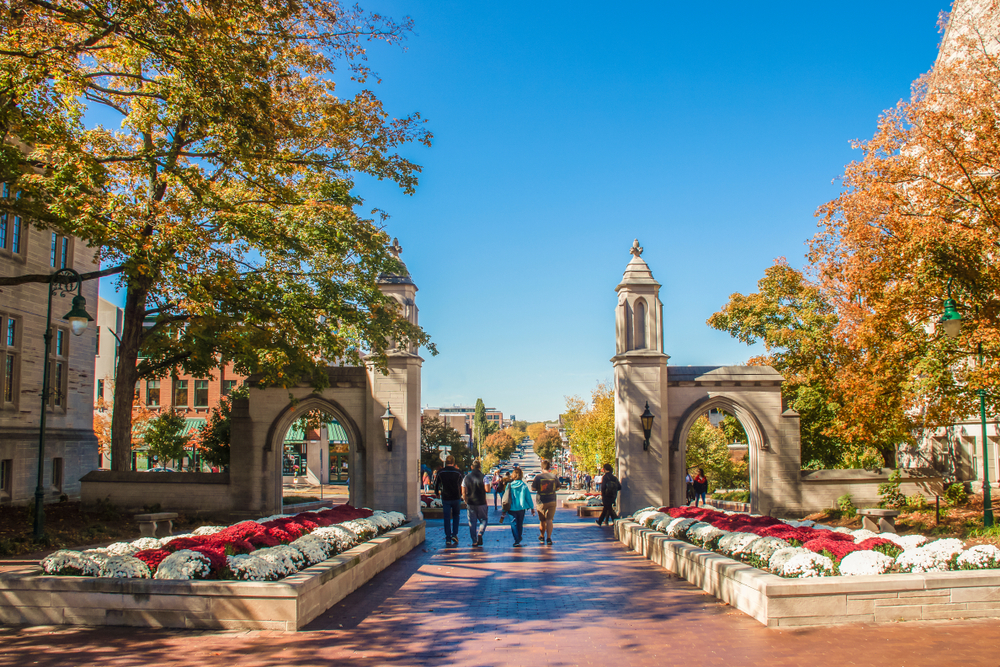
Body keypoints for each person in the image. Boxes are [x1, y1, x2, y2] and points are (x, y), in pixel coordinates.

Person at [434, 455, 464, 547]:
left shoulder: (441, 472)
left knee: (447, 517)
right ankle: (454, 534)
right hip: (456, 497)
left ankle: (448, 537)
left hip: (446, 497)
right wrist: (462, 494)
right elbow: (462, 484)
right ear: (454, 462)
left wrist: (437, 492)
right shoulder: (458, 473)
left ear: (446, 462)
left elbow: (436, 484)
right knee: (456, 516)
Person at [500, 468, 534, 546]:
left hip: (511, 508)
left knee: (513, 524)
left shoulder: (509, 485)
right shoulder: (523, 485)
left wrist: (503, 509)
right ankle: (519, 537)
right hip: (521, 508)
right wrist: (532, 507)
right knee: (520, 523)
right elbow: (528, 497)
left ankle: (517, 540)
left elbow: (505, 498)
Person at [531, 458, 561, 545]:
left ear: (542, 467)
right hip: (552, 500)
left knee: (542, 520)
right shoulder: (554, 477)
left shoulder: (538, 477)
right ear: (549, 467)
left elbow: (533, 488)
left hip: (541, 501)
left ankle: (542, 535)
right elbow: (558, 488)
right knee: (549, 520)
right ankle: (548, 538)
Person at [462, 458, 489, 548]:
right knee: (484, 519)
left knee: (472, 522)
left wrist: (465, 500)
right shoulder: (484, 477)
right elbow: (487, 489)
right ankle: (480, 532)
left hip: (471, 502)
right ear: (480, 467)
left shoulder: (466, 477)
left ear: (471, 467)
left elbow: (463, 491)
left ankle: (474, 541)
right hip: (481, 502)